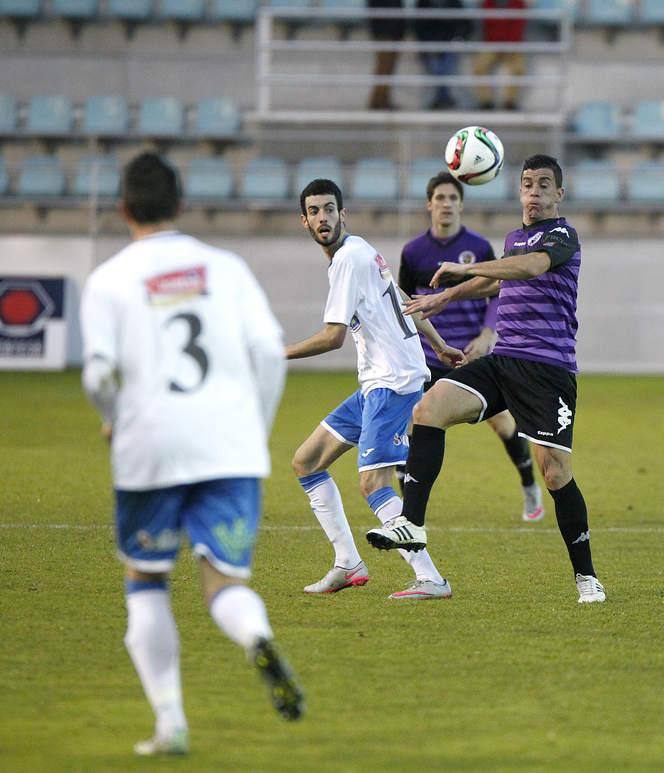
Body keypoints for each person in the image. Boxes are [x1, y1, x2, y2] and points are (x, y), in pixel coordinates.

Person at [80, 153, 304, 757]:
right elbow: (266, 353)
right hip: (229, 445)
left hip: (150, 443)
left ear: (123, 208)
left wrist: (112, 420)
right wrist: (252, 429)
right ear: (182, 205)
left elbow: (99, 375)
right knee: (225, 583)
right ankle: (255, 634)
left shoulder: (108, 280)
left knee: (147, 582)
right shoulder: (226, 268)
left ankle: (171, 722)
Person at [366, 155, 607, 605]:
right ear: (518, 191)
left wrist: (467, 269)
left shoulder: (561, 236)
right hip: (503, 361)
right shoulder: (514, 239)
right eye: (527, 184)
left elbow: (530, 268)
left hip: (547, 370)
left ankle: (586, 577)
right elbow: (500, 283)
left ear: (559, 193)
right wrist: (445, 298)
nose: (533, 192)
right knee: (428, 410)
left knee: (554, 473)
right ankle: (412, 524)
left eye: (543, 185)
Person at [288, 178, 464, 601]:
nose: (323, 218)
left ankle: (431, 579)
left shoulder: (349, 259)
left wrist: (277, 354)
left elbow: (333, 337)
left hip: (393, 382)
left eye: (329, 209)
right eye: (315, 212)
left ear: (342, 214)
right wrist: (439, 345)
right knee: (307, 461)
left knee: (373, 481)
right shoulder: (362, 251)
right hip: (376, 383)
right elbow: (403, 298)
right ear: (305, 222)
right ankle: (348, 563)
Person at [397, 171, 544, 521]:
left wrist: (488, 332)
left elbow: (498, 289)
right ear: (429, 205)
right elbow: (403, 303)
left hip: (472, 356)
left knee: (504, 426)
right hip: (429, 357)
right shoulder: (413, 252)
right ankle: (409, 513)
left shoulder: (478, 247)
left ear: (461, 205)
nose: (446, 204)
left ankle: (529, 488)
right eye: (440, 198)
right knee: (413, 428)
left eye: (452, 198)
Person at [413, 0, 471, 110]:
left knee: (444, 67)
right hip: (430, 44)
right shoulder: (423, 3)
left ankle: (441, 98)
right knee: (437, 67)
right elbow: (418, 26)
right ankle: (444, 98)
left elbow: (465, 24)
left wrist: (457, 39)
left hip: (450, 43)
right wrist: (427, 44)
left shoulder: (455, 2)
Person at [474, 0, 527, 111]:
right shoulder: (488, 3)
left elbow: (518, 27)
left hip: (512, 45)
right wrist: (498, 44)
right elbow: (488, 26)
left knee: (518, 69)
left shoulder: (518, 3)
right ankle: (486, 101)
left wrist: (508, 46)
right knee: (479, 67)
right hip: (492, 44)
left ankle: (510, 101)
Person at [367, 0, 406, 110]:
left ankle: (383, 99)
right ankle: (378, 100)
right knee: (384, 66)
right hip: (385, 31)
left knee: (388, 67)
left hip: (393, 30)